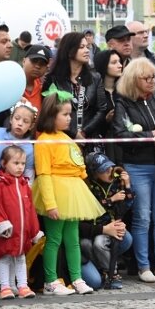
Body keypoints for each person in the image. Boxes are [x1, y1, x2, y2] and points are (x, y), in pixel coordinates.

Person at [111, 58, 155, 283]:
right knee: (142, 217)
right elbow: (122, 135)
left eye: (154, 77)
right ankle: (143, 266)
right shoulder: (123, 102)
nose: (152, 81)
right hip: (138, 165)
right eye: (147, 78)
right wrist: (151, 136)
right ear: (134, 80)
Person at [32, 92, 105, 296]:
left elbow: (78, 166)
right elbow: (44, 174)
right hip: (56, 193)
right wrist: (50, 203)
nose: (69, 118)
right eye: (64, 114)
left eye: (69, 114)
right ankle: (50, 280)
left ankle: (76, 278)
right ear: (51, 115)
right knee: (54, 239)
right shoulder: (44, 141)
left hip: (73, 194)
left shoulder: (67, 138)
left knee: (72, 239)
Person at [0, 145, 42, 300]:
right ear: (4, 163)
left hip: (22, 233)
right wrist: (2, 223)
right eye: (15, 163)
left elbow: (30, 210)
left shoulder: (25, 186)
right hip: (8, 232)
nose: (20, 167)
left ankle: (22, 285)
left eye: (23, 164)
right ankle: (5, 287)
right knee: (5, 258)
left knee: (21, 258)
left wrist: (34, 230)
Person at [80, 152, 134, 290]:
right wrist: (112, 200)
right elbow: (93, 207)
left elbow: (127, 204)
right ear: (95, 174)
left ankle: (109, 272)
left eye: (110, 167)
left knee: (123, 238)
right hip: (93, 228)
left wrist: (127, 185)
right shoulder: (88, 186)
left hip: (110, 226)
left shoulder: (116, 183)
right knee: (95, 244)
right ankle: (110, 272)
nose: (109, 171)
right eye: (104, 170)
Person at [43, 32, 107, 141]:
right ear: (69, 51)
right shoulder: (52, 79)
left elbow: (101, 109)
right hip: (62, 138)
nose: (87, 50)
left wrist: (84, 132)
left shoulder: (95, 78)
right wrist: (73, 133)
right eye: (81, 47)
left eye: (87, 47)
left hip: (89, 139)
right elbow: (50, 111)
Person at [0, 101, 38, 184]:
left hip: (11, 188)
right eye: (17, 118)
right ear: (11, 119)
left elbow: (28, 175)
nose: (20, 123)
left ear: (31, 126)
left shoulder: (29, 148)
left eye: (25, 121)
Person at [22, 45, 50, 112]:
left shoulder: (45, 89)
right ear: (24, 61)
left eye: (42, 64)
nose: (37, 66)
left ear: (46, 68)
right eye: (34, 61)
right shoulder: (11, 83)